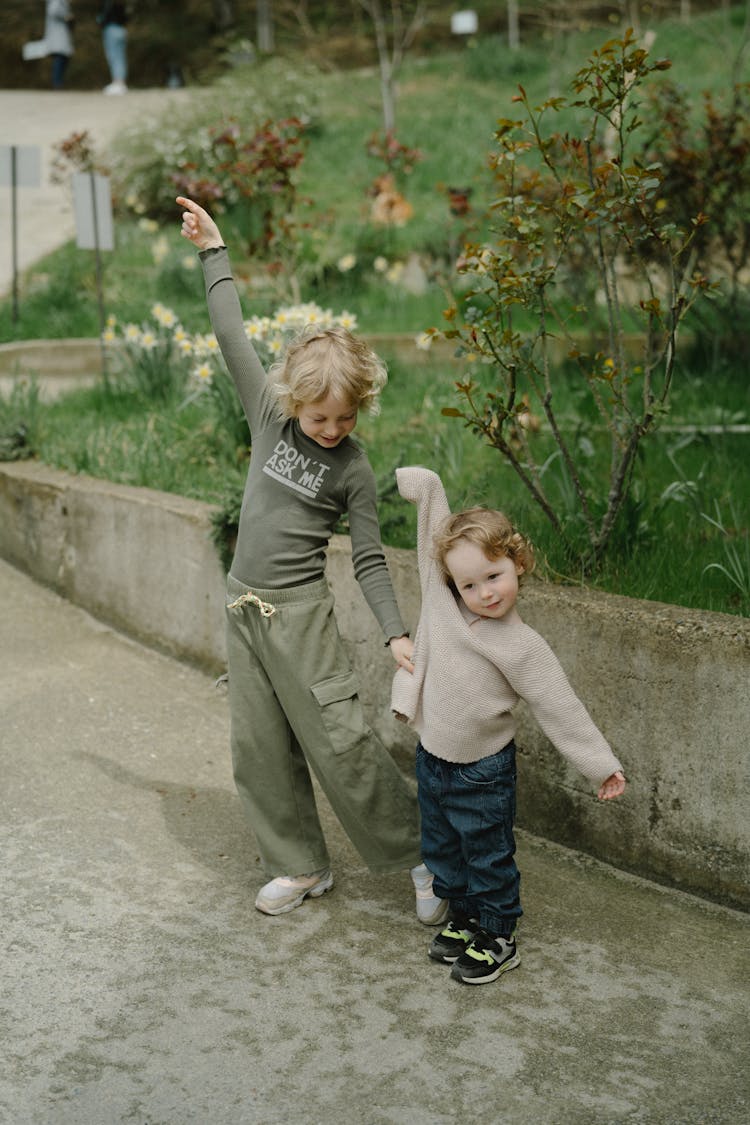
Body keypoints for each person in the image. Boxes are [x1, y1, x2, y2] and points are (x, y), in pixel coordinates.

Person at [176, 195, 445, 924]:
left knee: (341, 741)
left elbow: (366, 558)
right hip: (244, 607)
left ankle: (424, 852)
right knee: (258, 747)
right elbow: (230, 331)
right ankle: (299, 864)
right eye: (319, 417)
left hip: (302, 618)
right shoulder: (269, 412)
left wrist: (394, 630)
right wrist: (214, 252)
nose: (331, 429)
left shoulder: (353, 468)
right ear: (293, 400)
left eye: (346, 417)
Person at [391, 467, 627, 985]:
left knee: (487, 853)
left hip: (483, 771)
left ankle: (498, 933)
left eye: (494, 576)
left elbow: (560, 707)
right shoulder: (443, 605)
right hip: (433, 759)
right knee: (443, 848)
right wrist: (426, 485)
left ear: (517, 563)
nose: (484, 592)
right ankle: (464, 917)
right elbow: (433, 532)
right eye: (469, 584)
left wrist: (599, 766)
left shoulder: (522, 647)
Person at [98, 2, 129, 95]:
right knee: (120, 57)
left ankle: (118, 83)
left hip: (111, 29)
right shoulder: (121, 4)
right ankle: (121, 83)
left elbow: (103, 17)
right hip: (122, 29)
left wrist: (100, 20)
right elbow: (126, 17)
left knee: (114, 57)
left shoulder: (109, 3)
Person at [44, 0, 74, 90]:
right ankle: (57, 84)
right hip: (58, 35)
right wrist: (66, 16)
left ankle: (58, 83)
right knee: (60, 58)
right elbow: (53, 11)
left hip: (60, 34)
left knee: (63, 58)